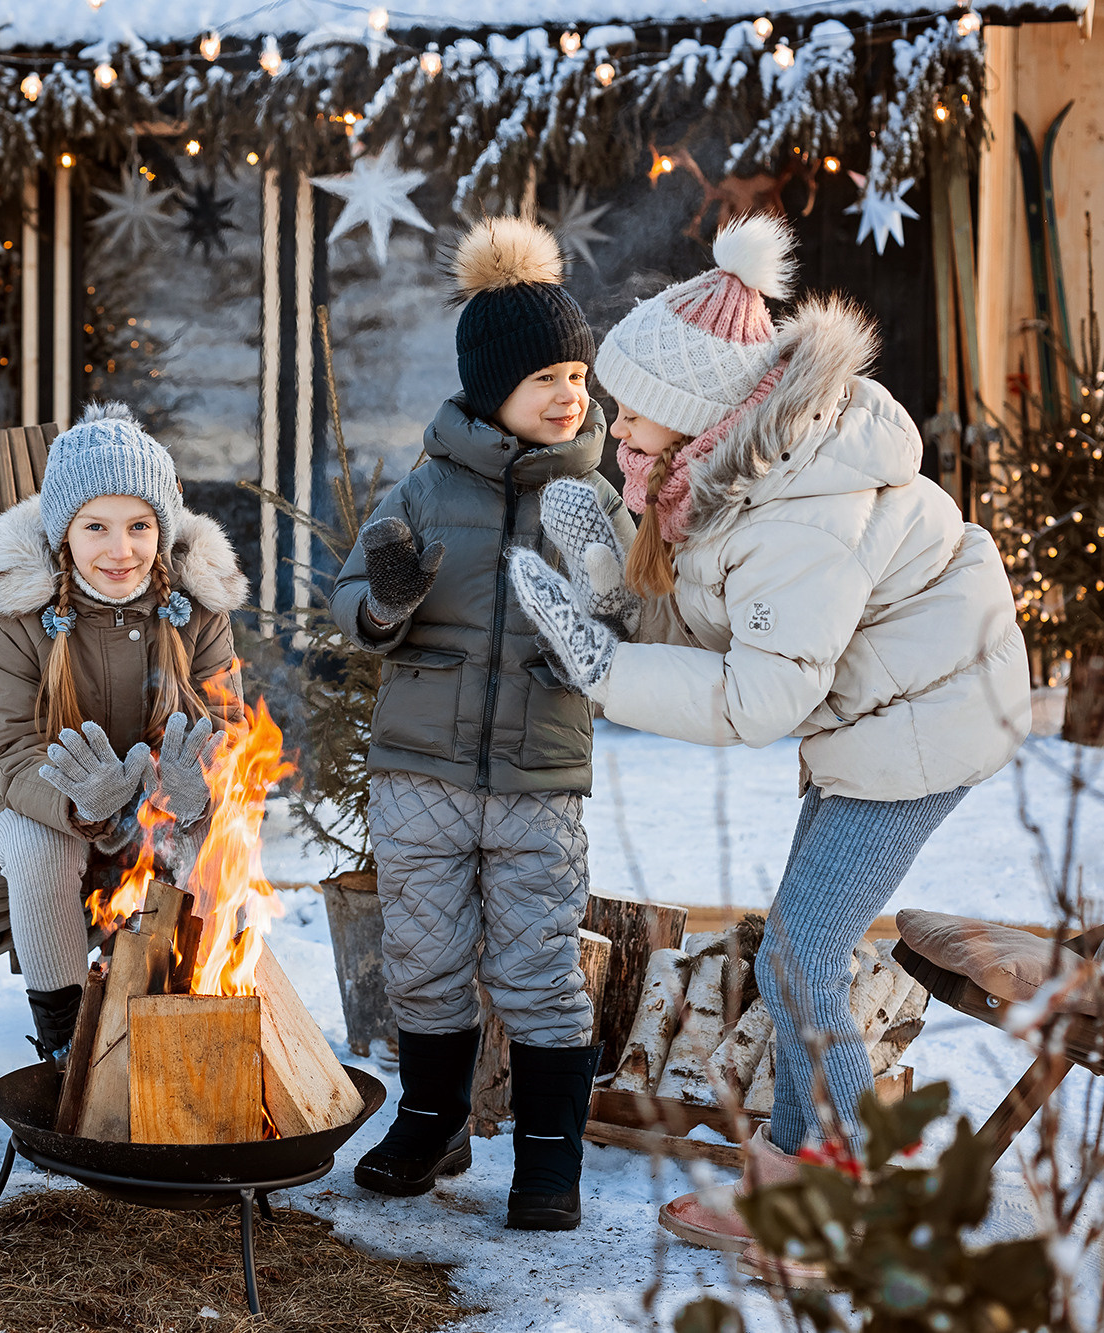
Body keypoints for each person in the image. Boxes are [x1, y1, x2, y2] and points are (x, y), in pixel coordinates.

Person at [506, 214, 1031, 1256]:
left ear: (702, 425)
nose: (614, 437)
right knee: (803, 943)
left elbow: (757, 696)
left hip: (928, 718)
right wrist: (615, 584)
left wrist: (604, 667)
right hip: (872, 711)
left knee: (802, 948)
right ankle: (794, 1172)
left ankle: (832, 1192)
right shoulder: (719, 478)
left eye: (634, 426)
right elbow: (708, 618)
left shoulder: (797, 517)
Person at [332, 216, 643, 1232]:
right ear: (487, 385)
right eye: (545, 376)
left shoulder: (596, 501)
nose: (569, 395)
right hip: (417, 769)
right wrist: (382, 599)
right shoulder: (423, 488)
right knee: (422, 958)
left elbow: (626, 624)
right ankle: (428, 1122)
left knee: (538, 965)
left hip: (536, 776)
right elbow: (354, 607)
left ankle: (549, 1159)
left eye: (577, 376)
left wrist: (591, 636)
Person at [0, 402, 248, 1064]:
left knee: (210, 845)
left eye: (140, 525)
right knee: (43, 848)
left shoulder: (196, 605)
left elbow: (227, 723)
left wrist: (195, 786)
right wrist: (77, 805)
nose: (122, 550)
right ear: (64, 533)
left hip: (153, 798)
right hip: (22, 795)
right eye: (97, 527)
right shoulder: (18, 609)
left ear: (162, 527)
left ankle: (185, 1022)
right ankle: (62, 1044)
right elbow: (7, 751)